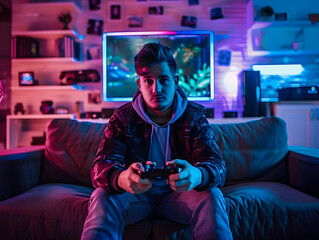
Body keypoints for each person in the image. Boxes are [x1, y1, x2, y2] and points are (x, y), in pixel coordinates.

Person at [81, 42, 233, 240]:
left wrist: (197, 175)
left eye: (163, 80)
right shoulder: (122, 118)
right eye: (148, 81)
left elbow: (217, 166)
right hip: (136, 196)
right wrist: (122, 178)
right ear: (139, 84)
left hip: (179, 196)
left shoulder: (194, 117)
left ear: (176, 81)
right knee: (102, 195)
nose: (156, 89)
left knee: (211, 195)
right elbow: (99, 168)